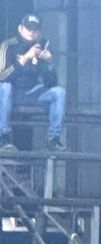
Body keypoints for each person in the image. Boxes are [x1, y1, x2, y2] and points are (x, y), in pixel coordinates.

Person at [0, 14, 66, 152]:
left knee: (59, 92)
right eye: (28, 28)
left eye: (35, 29)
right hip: (11, 94)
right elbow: (2, 77)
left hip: (32, 93)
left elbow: (50, 83)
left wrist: (49, 63)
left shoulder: (42, 46)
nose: (32, 32)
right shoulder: (8, 45)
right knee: (5, 87)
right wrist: (25, 59)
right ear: (20, 28)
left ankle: (53, 140)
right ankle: (4, 138)